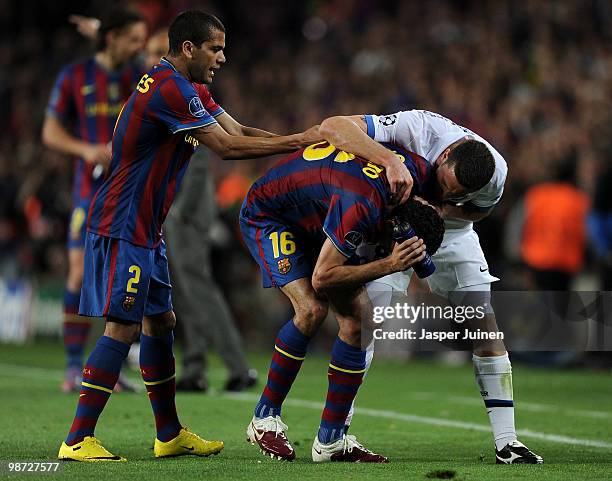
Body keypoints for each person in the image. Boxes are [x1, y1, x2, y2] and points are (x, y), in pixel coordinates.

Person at [57, 10, 322, 462]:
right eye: (215, 48)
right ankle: (78, 438)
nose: (222, 56)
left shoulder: (190, 88)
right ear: (188, 49)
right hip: (124, 223)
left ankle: (169, 434)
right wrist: (302, 141)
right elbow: (228, 148)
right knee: (123, 325)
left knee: (162, 322)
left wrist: (300, 140)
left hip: (146, 226)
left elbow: (238, 130)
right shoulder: (169, 89)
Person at [319, 110, 543, 464]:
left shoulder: (495, 174)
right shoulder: (420, 128)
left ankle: (508, 442)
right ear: (442, 156)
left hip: (452, 234)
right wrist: (390, 160)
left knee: (484, 325)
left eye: (456, 193)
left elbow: (479, 212)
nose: (444, 192)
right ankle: (335, 435)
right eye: (443, 183)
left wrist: (444, 211)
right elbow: (333, 126)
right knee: (365, 323)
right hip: (395, 226)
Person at [241, 140, 444, 462]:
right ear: (394, 226)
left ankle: (331, 441)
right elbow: (322, 277)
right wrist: (389, 264)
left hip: (319, 216)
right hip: (273, 215)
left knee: (360, 322)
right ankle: (264, 419)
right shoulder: (362, 207)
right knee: (311, 309)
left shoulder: (413, 175)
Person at [145, 27, 257, 392]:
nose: (149, 58)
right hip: (173, 210)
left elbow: (199, 158)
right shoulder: (164, 89)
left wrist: (179, 213)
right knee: (182, 289)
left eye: (153, 51)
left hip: (186, 211)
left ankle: (238, 366)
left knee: (198, 286)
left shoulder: (185, 91)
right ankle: (193, 365)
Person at [42, 6, 147, 393]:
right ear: (113, 38)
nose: (139, 47)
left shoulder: (140, 77)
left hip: (130, 191)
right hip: (89, 190)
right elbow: (50, 132)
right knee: (78, 273)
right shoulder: (75, 76)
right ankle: (72, 367)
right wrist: (85, 149)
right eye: (132, 39)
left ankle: (109, 369)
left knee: (118, 281)